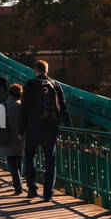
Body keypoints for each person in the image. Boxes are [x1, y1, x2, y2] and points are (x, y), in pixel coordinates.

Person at [21, 60, 67, 201]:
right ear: (47, 71)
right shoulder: (55, 85)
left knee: (30, 156)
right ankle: (48, 193)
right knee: (50, 160)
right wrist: (58, 125)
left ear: (35, 71)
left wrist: (21, 130)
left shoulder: (30, 84)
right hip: (50, 128)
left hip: (33, 127)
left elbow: (24, 109)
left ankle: (32, 189)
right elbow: (63, 107)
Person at [0, 83, 27, 195]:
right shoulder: (22, 106)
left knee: (12, 164)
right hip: (20, 137)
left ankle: (18, 186)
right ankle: (19, 184)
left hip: (7, 138)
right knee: (19, 162)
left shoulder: (3, 106)